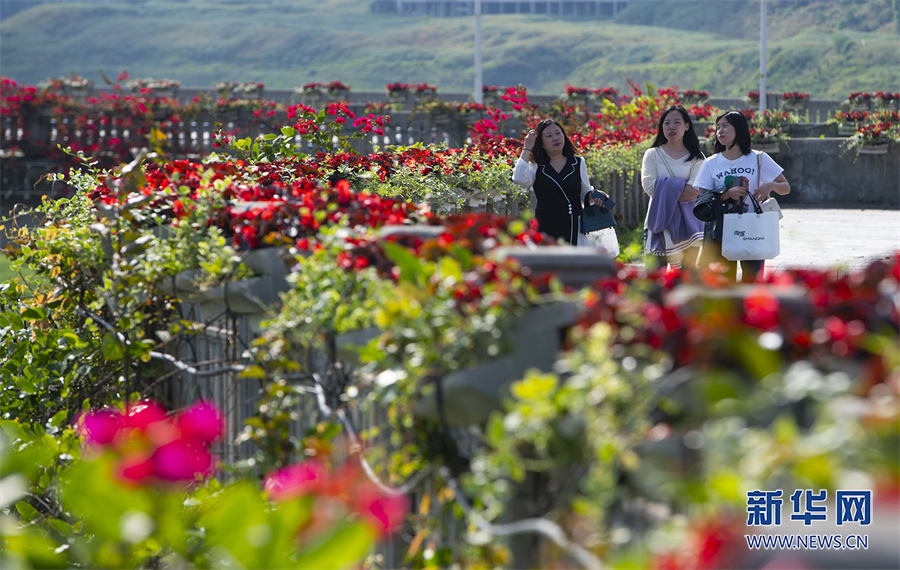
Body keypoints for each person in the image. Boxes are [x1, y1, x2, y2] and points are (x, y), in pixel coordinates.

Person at [693, 111, 790, 282]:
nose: (720, 131)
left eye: (725, 126)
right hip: (722, 230)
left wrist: (771, 185)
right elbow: (703, 197)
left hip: (753, 228)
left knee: (752, 281)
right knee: (724, 282)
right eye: (718, 127)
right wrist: (726, 195)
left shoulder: (759, 158)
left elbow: (786, 188)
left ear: (739, 129)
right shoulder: (711, 163)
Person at [512, 119, 606, 245]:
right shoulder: (536, 166)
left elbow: (585, 192)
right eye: (549, 136)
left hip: (573, 225)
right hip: (545, 226)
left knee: (571, 262)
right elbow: (519, 179)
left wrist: (594, 195)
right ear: (541, 144)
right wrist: (527, 148)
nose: (555, 138)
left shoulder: (577, 163)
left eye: (558, 133)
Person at [641, 105, 706, 269]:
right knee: (654, 278)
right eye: (666, 123)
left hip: (687, 226)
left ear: (686, 126)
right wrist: (681, 185)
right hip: (658, 224)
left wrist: (664, 185)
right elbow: (649, 187)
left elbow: (694, 190)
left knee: (686, 278)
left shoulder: (697, 157)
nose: (671, 127)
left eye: (677, 122)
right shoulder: (652, 154)